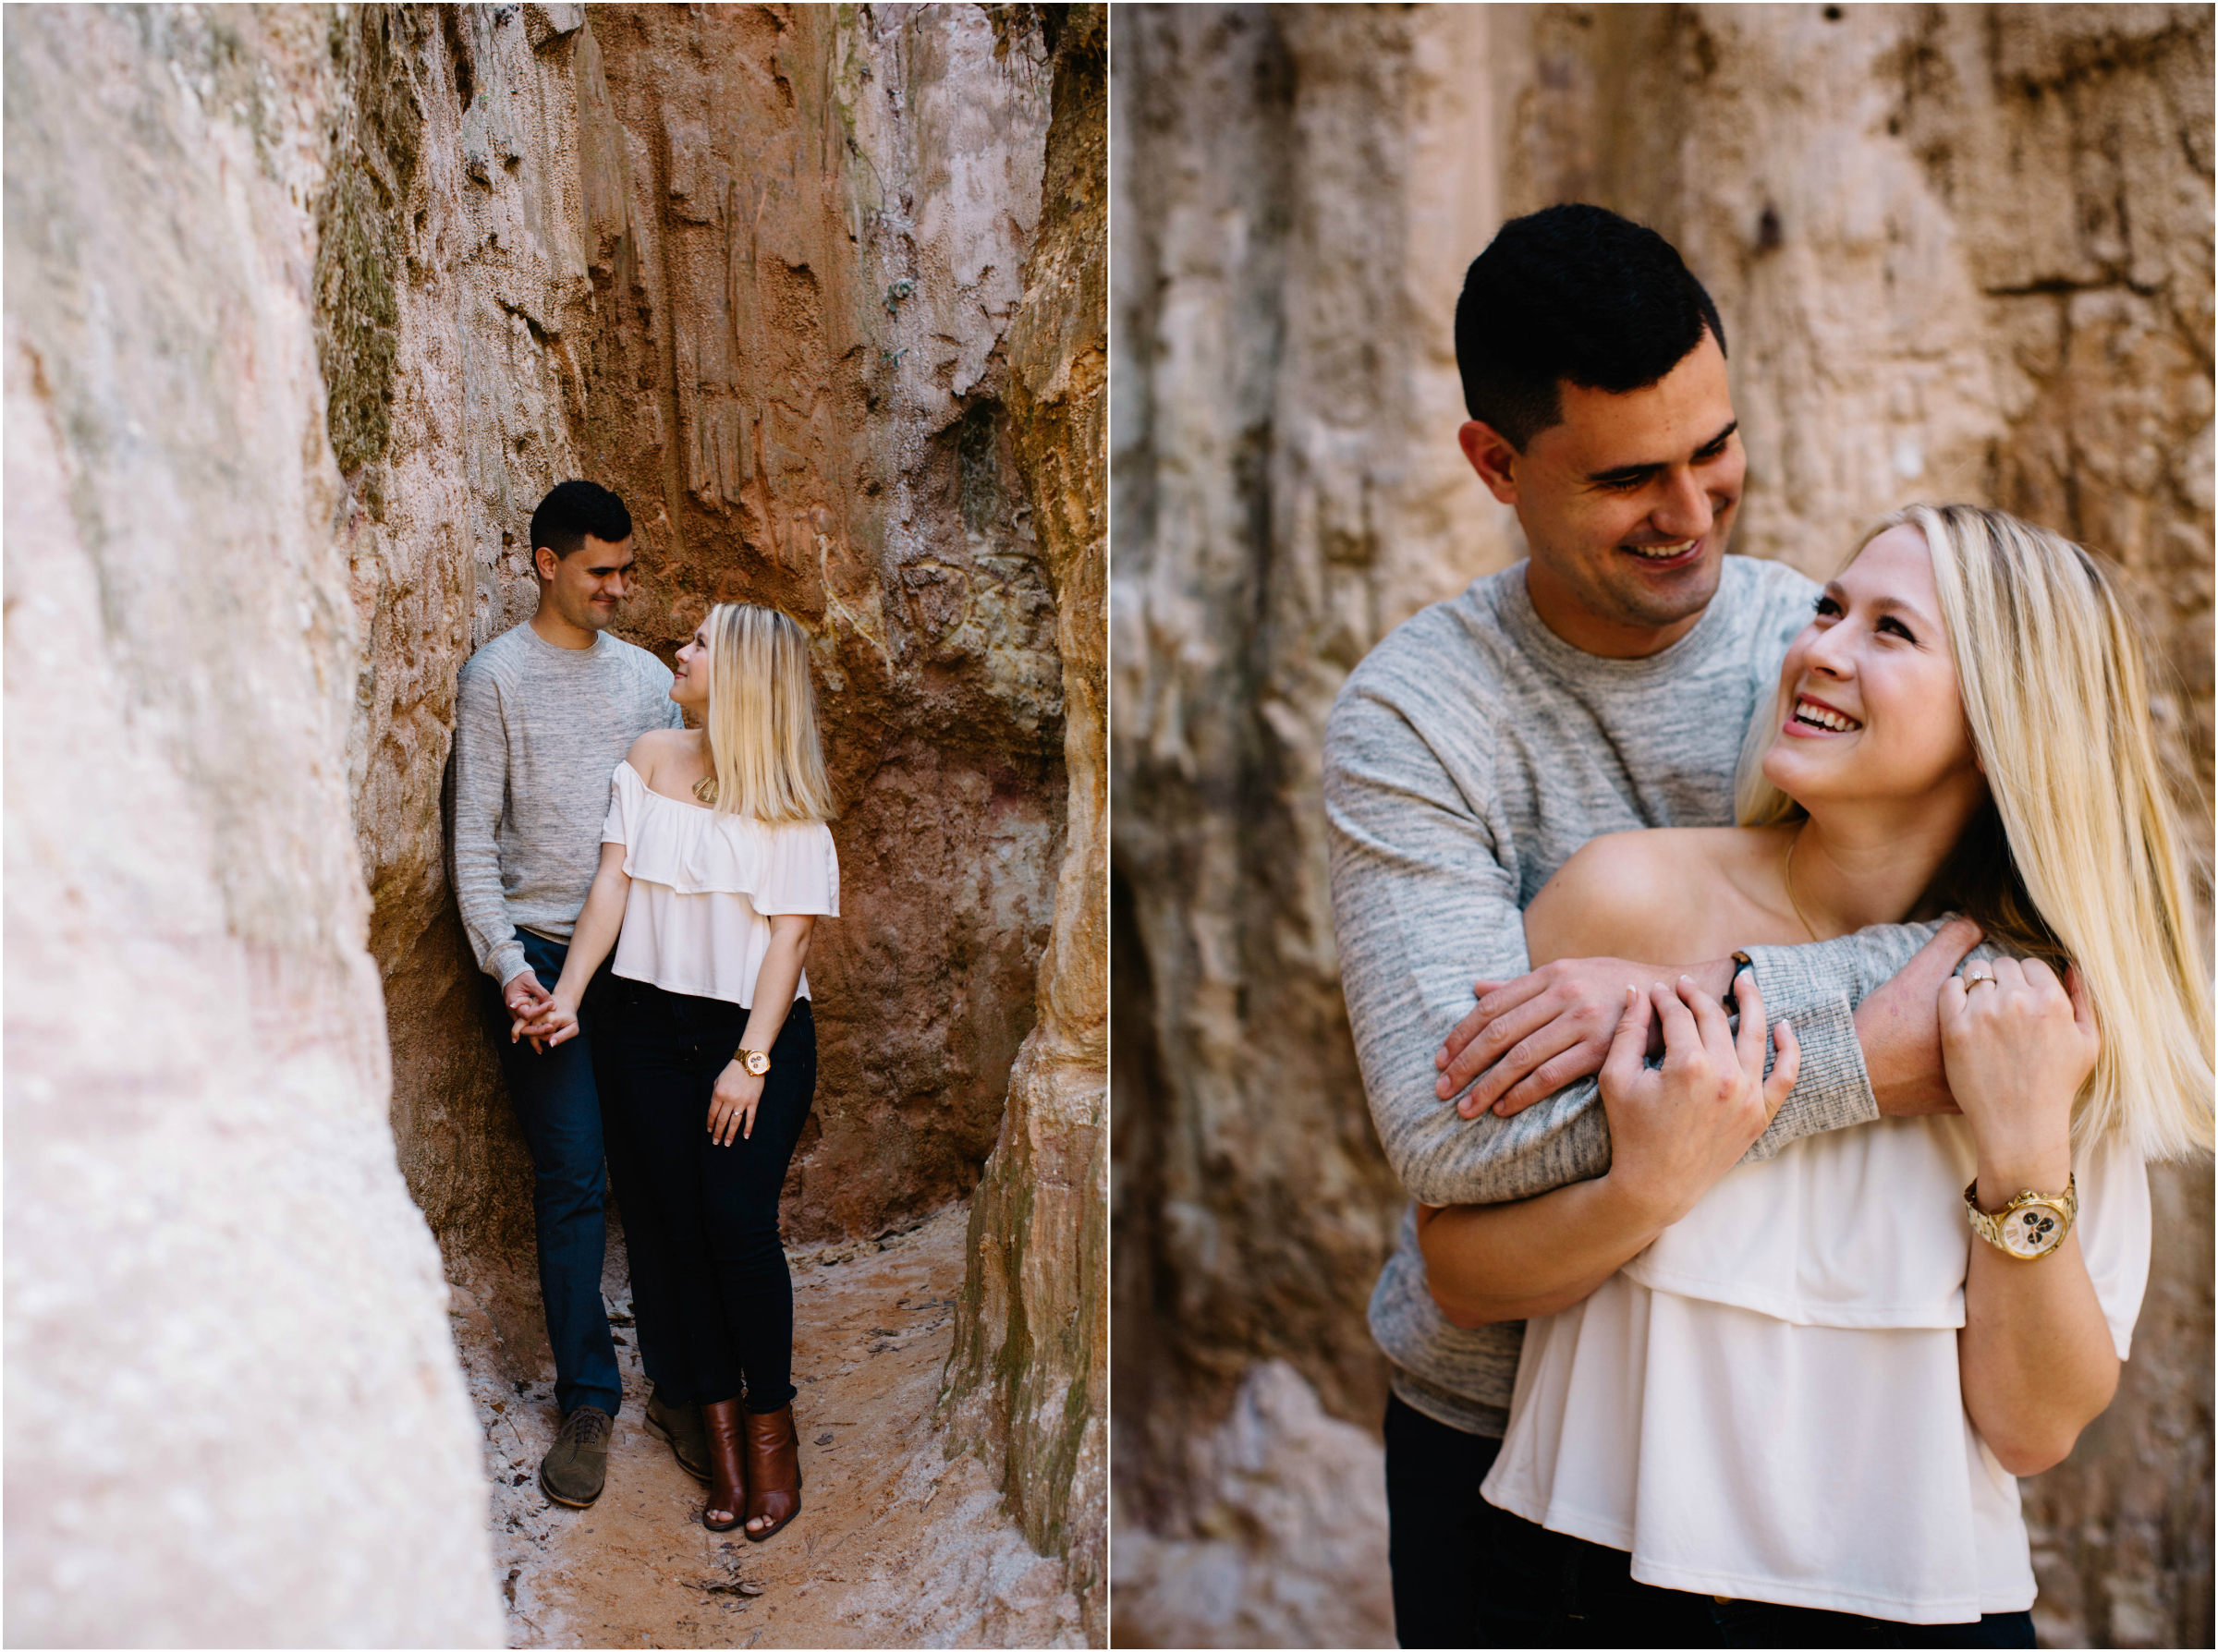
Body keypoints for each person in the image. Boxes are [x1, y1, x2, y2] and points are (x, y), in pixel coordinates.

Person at [1322, 205, 1983, 1646]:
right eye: (1629, 477)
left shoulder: (1812, 655)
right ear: (1496, 464)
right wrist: (1864, 1048)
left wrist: (1655, 994)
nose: (1690, 512)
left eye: (1714, 449)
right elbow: (1457, 1144)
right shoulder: (1413, 720)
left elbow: (2000, 968)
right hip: (1494, 1415)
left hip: (1783, 1391)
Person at [1416, 504, 2212, 1643]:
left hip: (1920, 1613)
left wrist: (2024, 1151)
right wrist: (1647, 1187)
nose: (1821, 649)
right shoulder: (1624, 904)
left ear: (1999, 723)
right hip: (1583, 1587)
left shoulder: (2048, 1006)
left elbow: (2033, 1429)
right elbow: (1461, 1275)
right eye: (1830, 608)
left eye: (1893, 631)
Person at [523, 601, 839, 1540]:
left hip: (755, 1036)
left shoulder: (788, 796)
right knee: (669, 1233)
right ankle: (721, 1444)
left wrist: (751, 1061)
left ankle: (771, 1434)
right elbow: (612, 886)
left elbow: (788, 945)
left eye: (700, 643)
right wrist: (572, 995)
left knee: (737, 1231)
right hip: (643, 1029)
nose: (682, 650)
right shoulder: (653, 756)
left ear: (740, 673)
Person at [450, 480, 701, 1509]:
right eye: (600, 570)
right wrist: (508, 965)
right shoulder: (495, 678)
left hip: (644, 962)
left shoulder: (648, 682)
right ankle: (588, 1401)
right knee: (572, 1177)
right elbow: (470, 841)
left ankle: (685, 1386)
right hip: (543, 965)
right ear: (546, 563)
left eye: (626, 569)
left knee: (662, 1171)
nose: (619, 587)